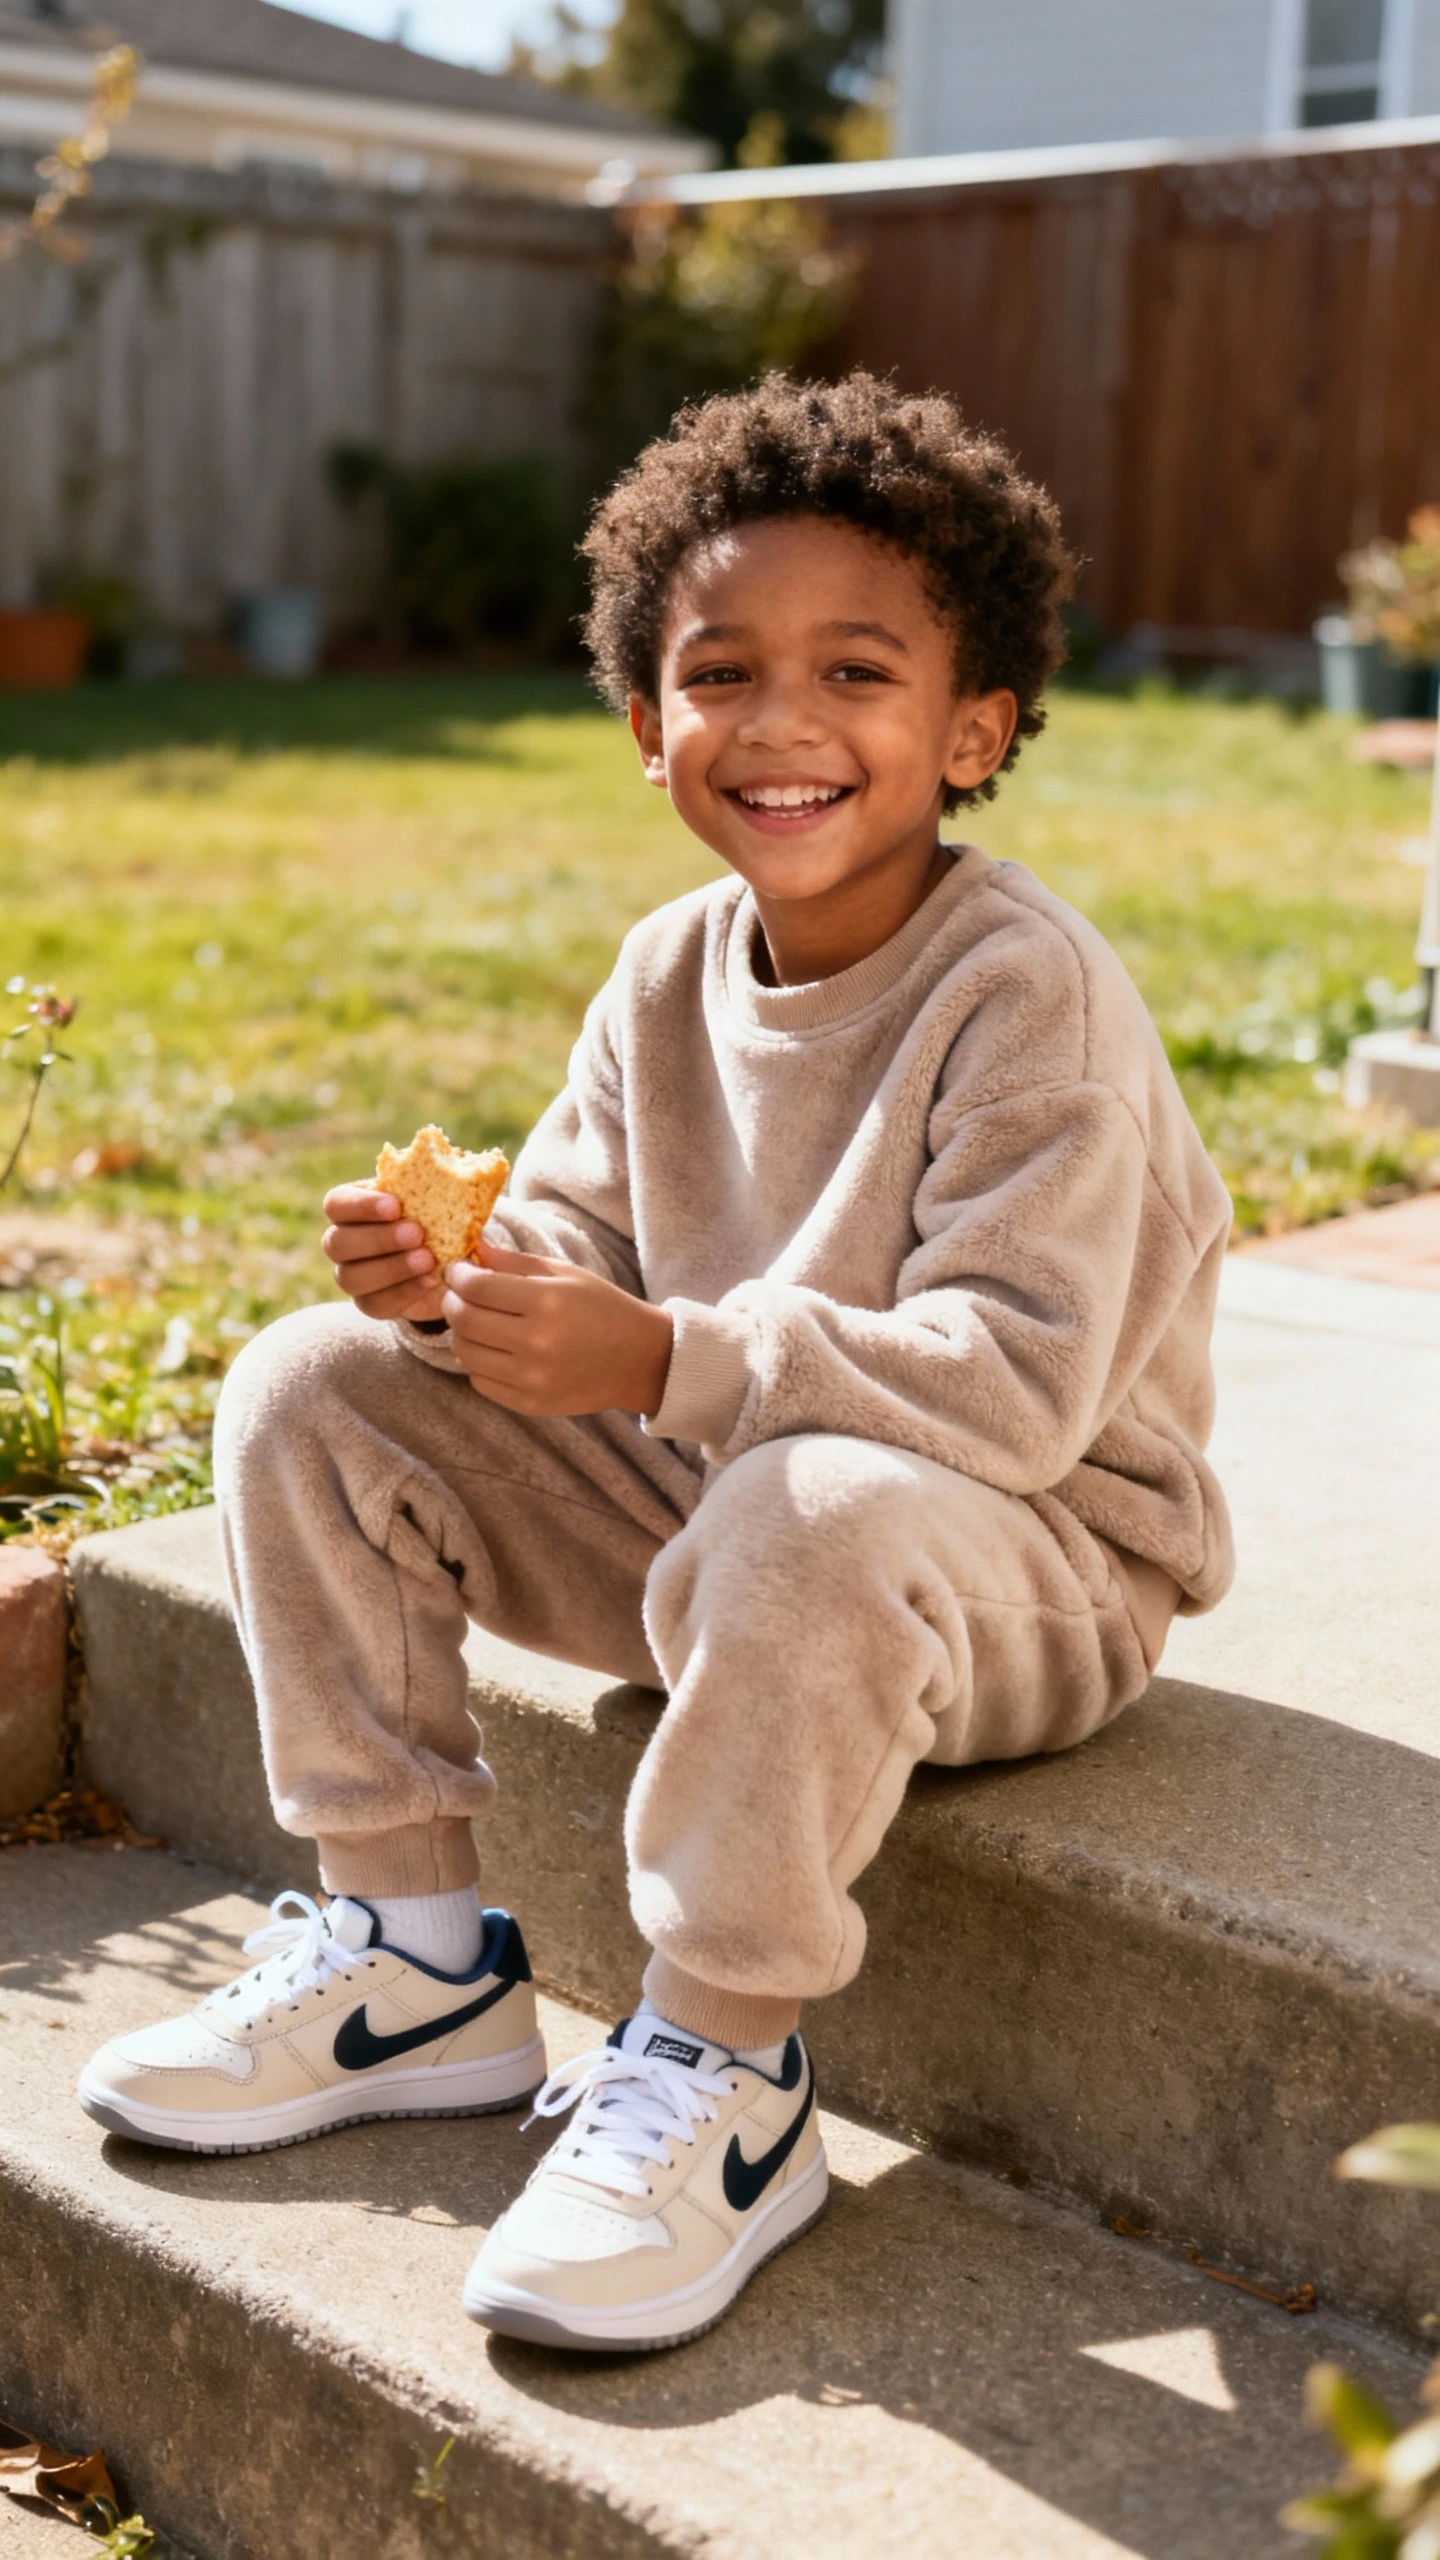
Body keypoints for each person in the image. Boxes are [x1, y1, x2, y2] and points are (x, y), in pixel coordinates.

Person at [78, 372, 1233, 2353]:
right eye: (721, 672)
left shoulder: (1027, 994)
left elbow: (1017, 1382)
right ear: (646, 724)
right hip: (731, 1515)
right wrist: (459, 1295)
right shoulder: (664, 970)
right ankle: (416, 1956)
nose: (783, 722)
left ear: (976, 726)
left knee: (807, 1502)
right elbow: (582, 1258)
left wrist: (670, 1353)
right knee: (306, 1383)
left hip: (1019, 1562)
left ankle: (722, 2070)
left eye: (858, 669)